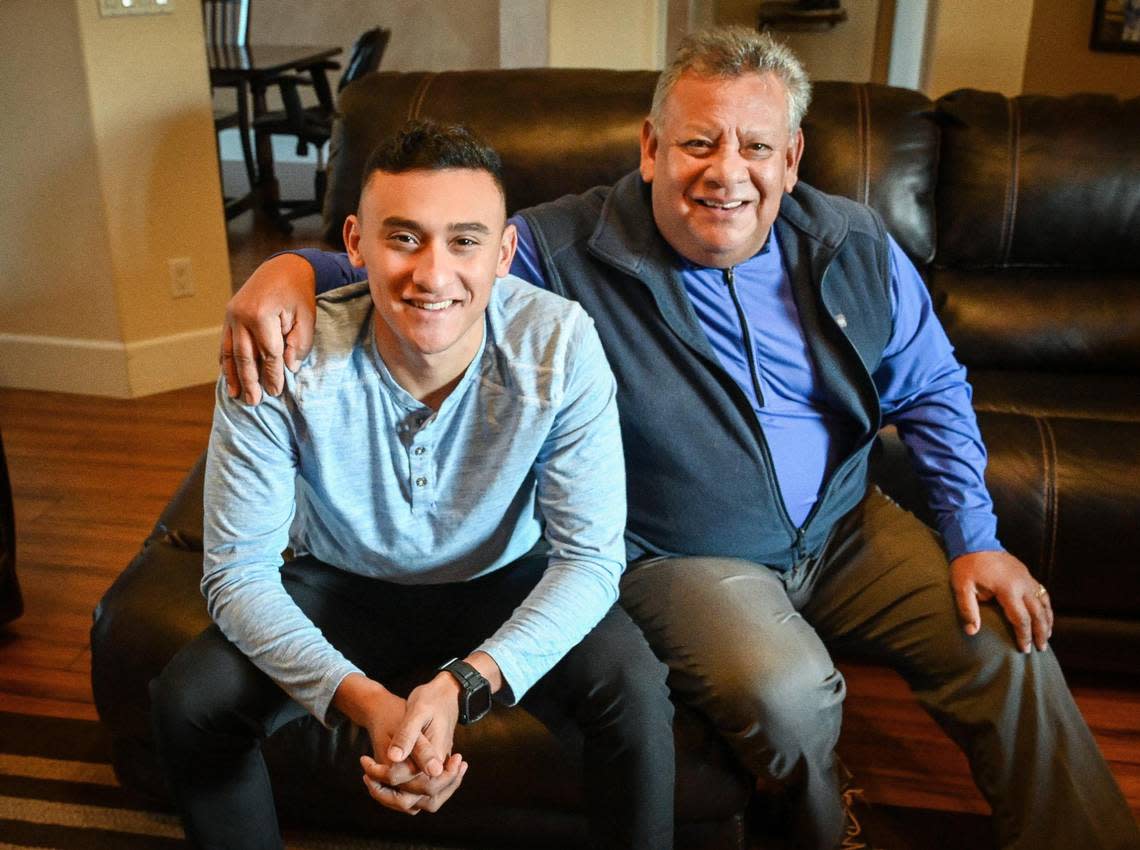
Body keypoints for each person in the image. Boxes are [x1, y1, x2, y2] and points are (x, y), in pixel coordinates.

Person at [219, 28, 1140, 850]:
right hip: (685, 552)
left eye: (754, 145)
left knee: (1011, 645)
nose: (725, 170)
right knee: (786, 698)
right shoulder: (564, 244)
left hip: (848, 528)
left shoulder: (854, 240)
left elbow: (933, 388)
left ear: (792, 158)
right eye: (698, 141)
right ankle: (821, 823)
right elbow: (433, 260)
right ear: (652, 149)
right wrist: (289, 268)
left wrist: (975, 537)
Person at [150, 121, 674, 850]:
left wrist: (465, 682)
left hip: (502, 577)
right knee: (190, 698)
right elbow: (237, 573)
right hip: (343, 581)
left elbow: (590, 559)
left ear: (504, 252)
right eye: (404, 238)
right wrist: (363, 701)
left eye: (464, 241)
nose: (432, 275)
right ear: (356, 244)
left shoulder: (560, 342)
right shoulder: (281, 355)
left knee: (635, 692)